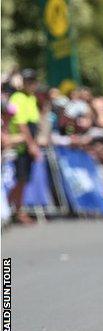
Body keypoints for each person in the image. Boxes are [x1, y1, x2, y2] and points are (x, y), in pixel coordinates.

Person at [7, 68, 42, 225]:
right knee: (18, 179)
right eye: (28, 81)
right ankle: (13, 210)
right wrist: (31, 145)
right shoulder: (18, 97)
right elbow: (22, 124)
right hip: (20, 146)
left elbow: (34, 122)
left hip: (29, 141)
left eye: (33, 81)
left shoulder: (32, 98)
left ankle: (15, 209)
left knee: (24, 180)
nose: (31, 84)